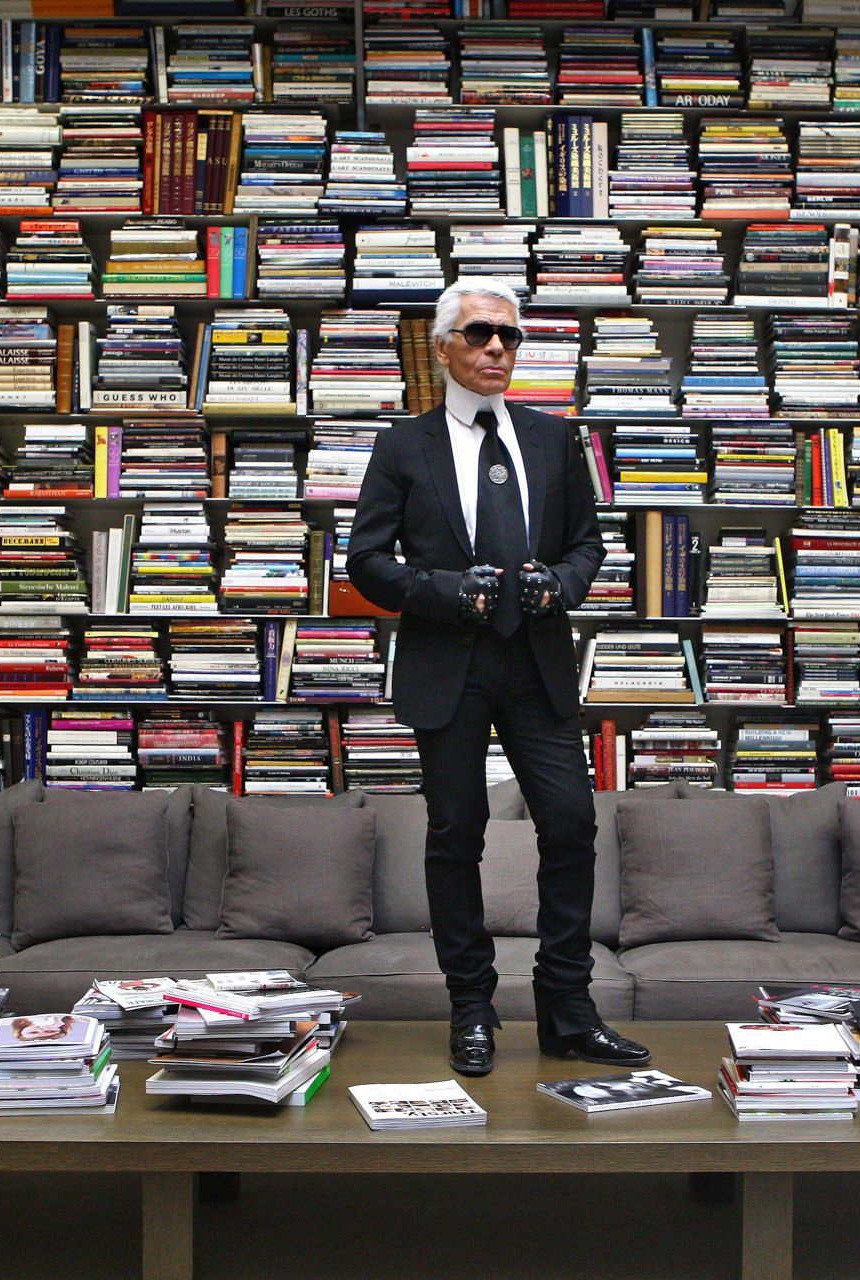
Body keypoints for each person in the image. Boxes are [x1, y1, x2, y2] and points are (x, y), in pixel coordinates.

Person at [347, 279, 651, 1078]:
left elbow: (589, 545)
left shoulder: (554, 440)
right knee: (457, 836)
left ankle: (567, 1011)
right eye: (480, 334)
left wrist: (564, 581)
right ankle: (472, 1010)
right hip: (449, 663)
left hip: (536, 661)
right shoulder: (403, 446)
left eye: (509, 337)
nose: (496, 350)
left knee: (571, 825)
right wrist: (446, 591)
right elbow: (367, 563)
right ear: (444, 346)